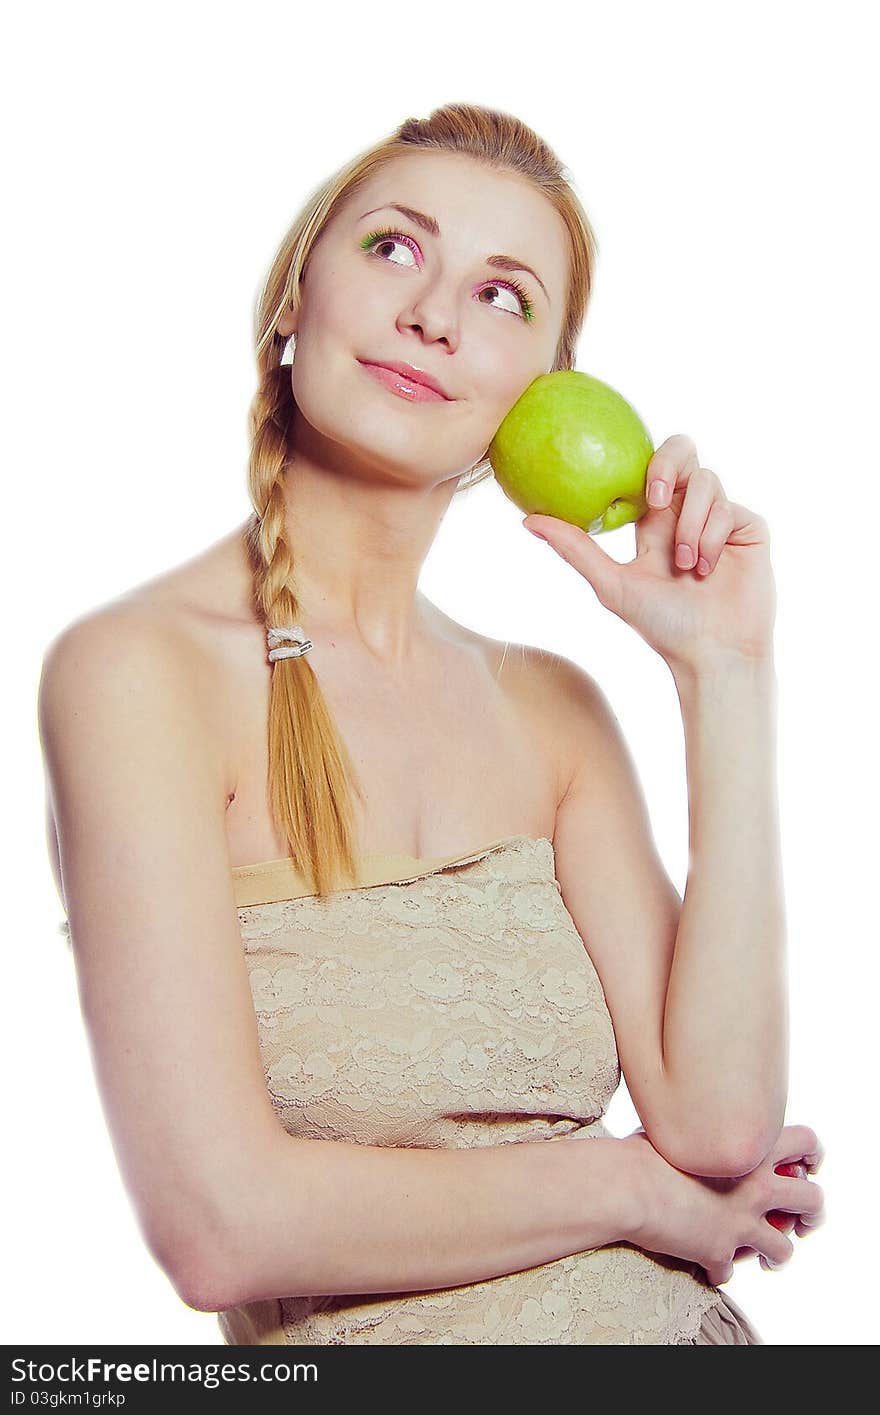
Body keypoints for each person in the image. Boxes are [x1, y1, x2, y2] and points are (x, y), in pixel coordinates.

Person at [37, 102, 825, 1345]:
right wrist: (625, 1186)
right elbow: (219, 1225)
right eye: (394, 249)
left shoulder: (551, 707)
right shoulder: (135, 674)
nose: (437, 316)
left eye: (504, 297)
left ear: (541, 396)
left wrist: (725, 674)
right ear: (297, 293)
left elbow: (720, 1126)